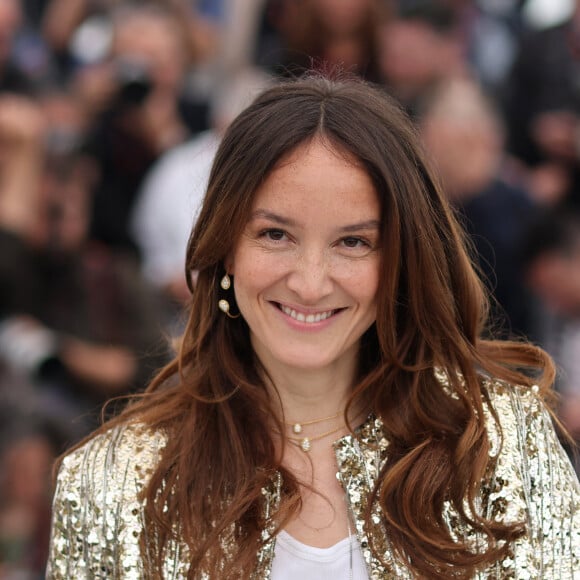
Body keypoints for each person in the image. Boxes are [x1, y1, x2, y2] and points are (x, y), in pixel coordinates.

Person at [47, 75, 579, 578]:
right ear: (225, 246)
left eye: (353, 242)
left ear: (400, 261)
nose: (309, 283)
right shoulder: (112, 480)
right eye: (276, 234)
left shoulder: (502, 442)